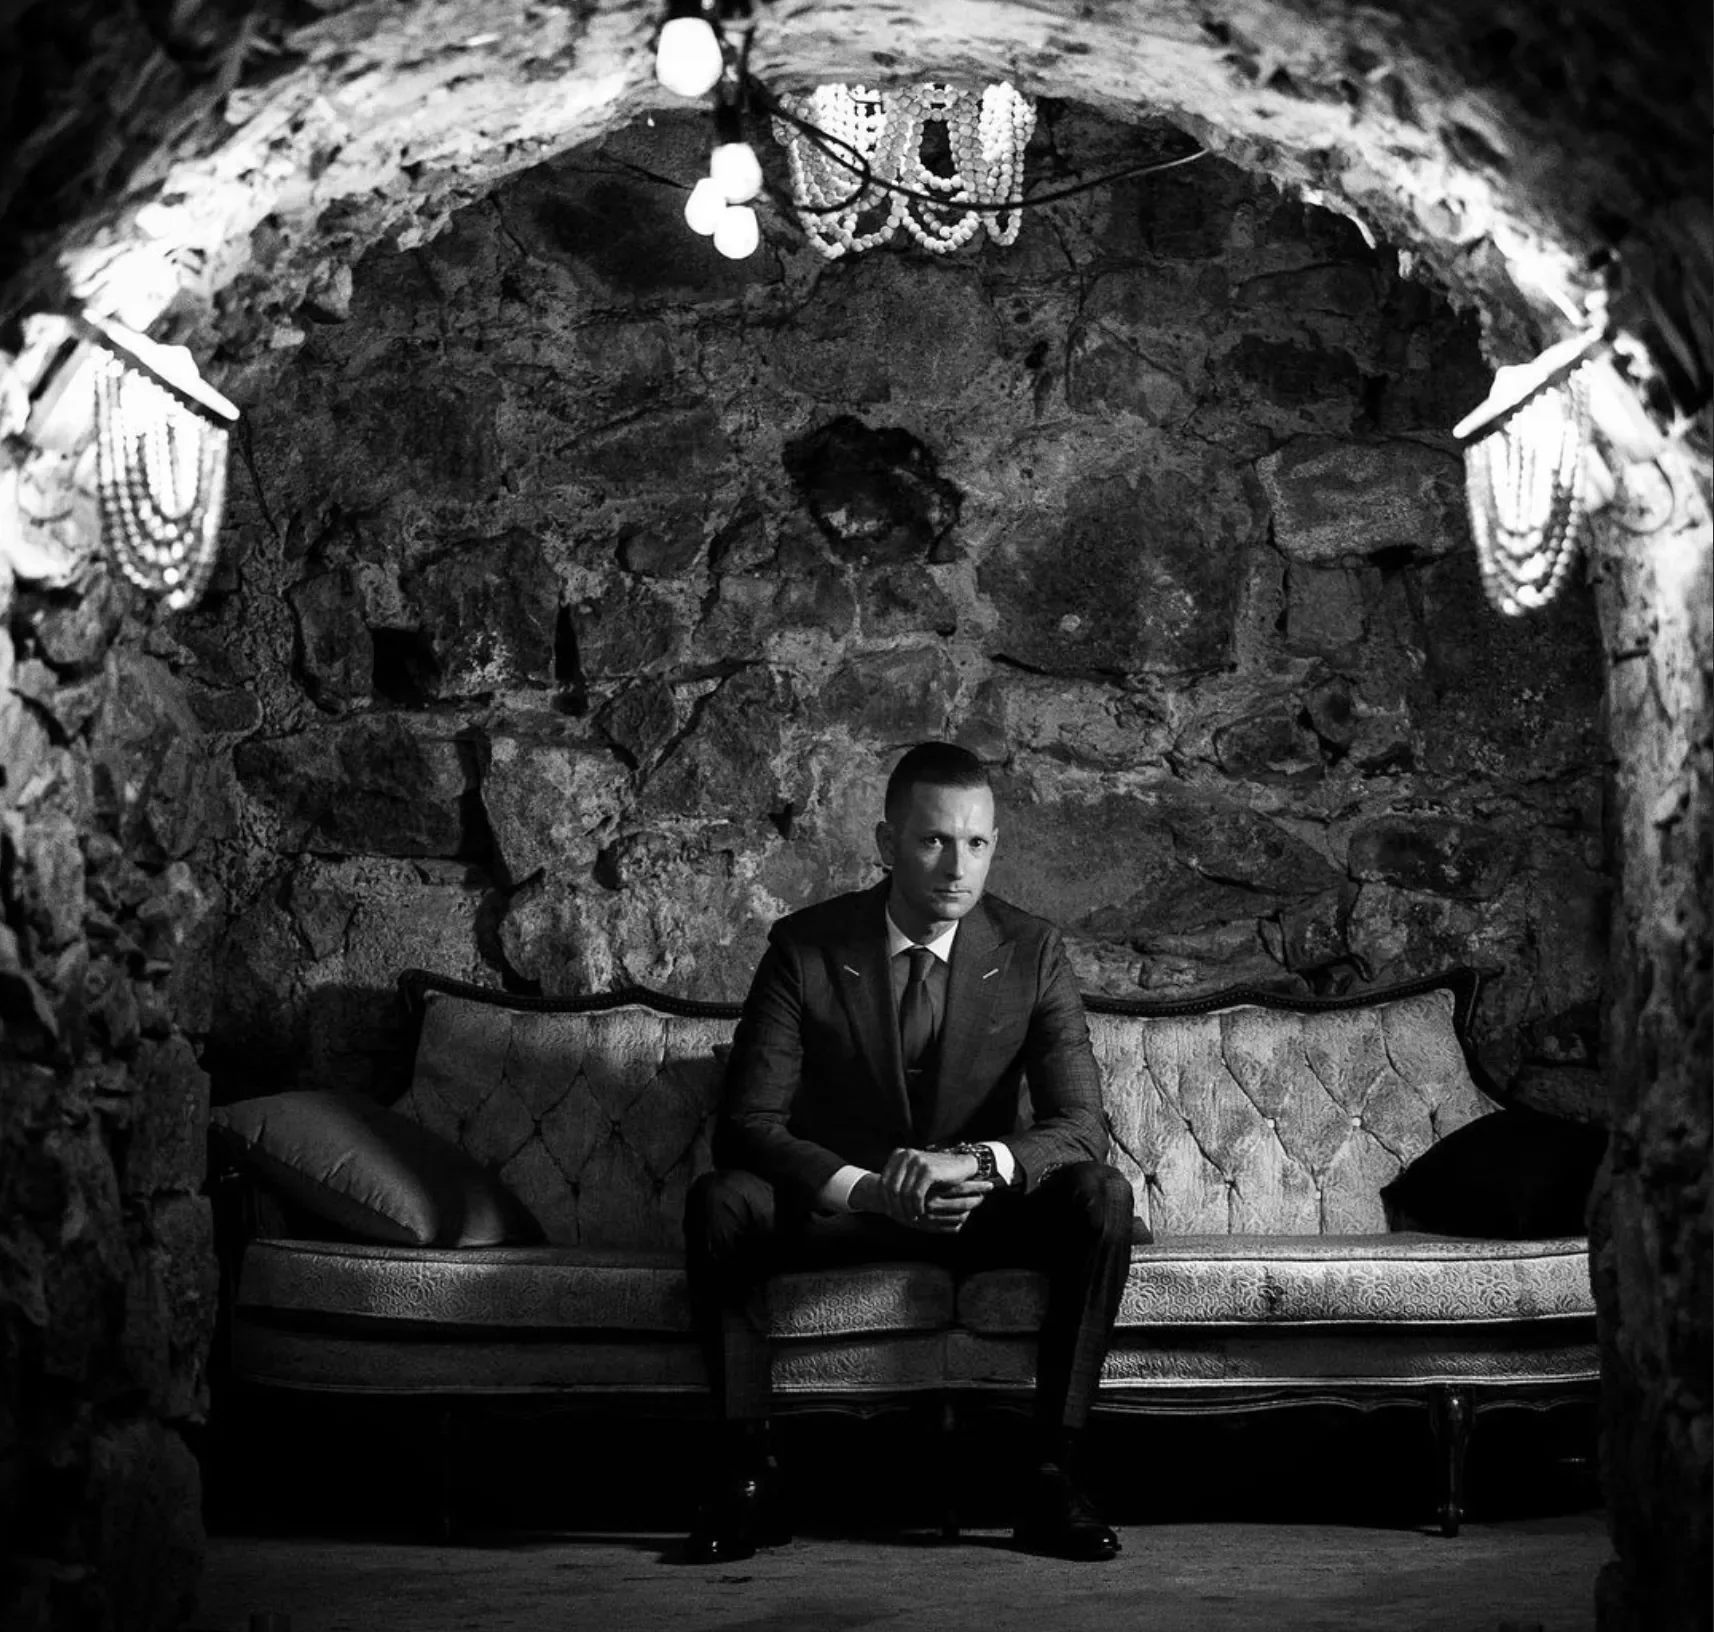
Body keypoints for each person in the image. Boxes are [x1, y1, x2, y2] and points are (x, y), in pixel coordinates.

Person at [682, 741, 1139, 1564]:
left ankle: (1052, 1477)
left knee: (1101, 1194)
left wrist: (978, 1163)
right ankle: (750, 1477)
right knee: (721, 1199)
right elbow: (747, 1124)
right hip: (850, 1212)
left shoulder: (1032, 949)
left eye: (976, 842)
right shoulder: (806, 947)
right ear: (887, 843)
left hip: (980, 1213)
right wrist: (865, 1188)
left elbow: (1079, 1125)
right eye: (933, 840)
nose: (958, 866)